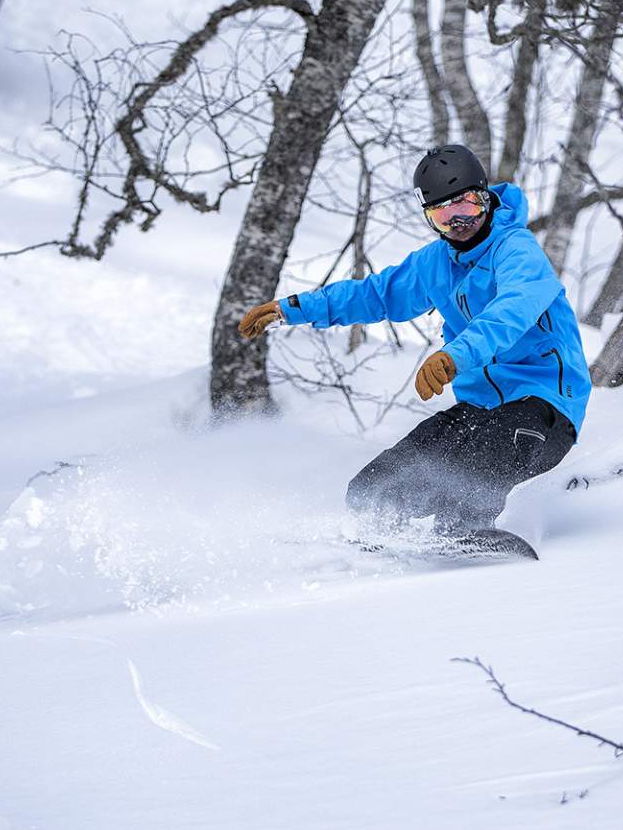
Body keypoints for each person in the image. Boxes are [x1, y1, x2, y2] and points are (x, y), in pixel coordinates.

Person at [238, 144, 590, 557]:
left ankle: (466, 532)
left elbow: (510, 312)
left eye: (467, 204)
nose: (458, 220)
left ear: (486, 197)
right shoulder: (435, 263)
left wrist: (454, 357)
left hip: (544, 409)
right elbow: (374, 294)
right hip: (479, 410)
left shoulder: (517, 251)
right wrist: (293, 309)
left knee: (470, 474)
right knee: (372, 489)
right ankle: (382, 538)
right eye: (443, 213)